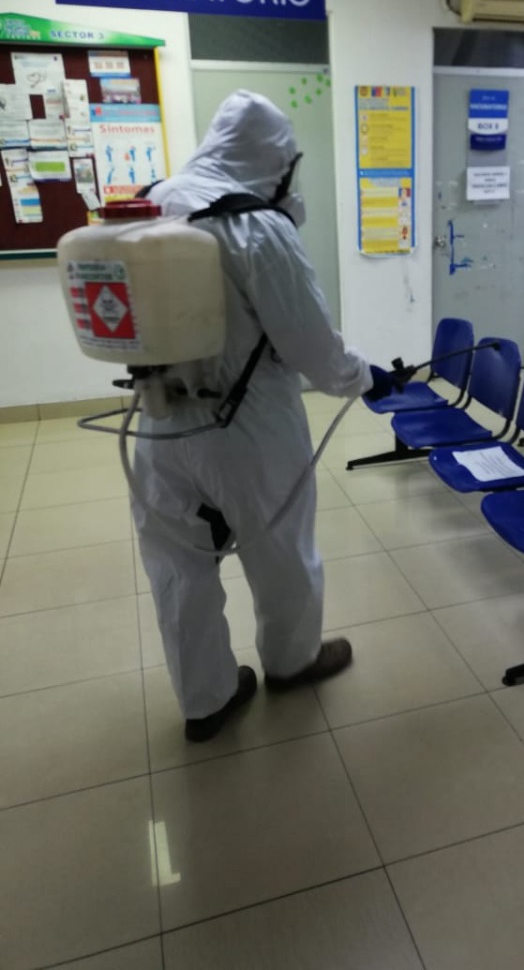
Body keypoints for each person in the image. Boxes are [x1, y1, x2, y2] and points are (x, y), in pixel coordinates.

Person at [133, 90, 396, 742]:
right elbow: (312, 347)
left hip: (156, 421)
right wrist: (366, 378)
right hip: (248, 429)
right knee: (281, 550)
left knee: (178, 566)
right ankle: (291, 661)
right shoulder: (255, 226)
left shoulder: (149, 207)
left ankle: (206, 701)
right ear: (277, 160)